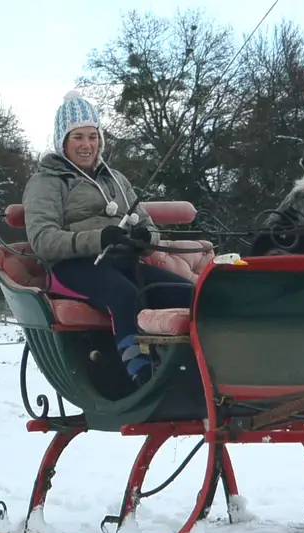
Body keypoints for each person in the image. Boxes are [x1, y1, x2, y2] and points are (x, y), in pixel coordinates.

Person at [22, 90, 194, 387]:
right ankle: (140, 374)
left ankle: (195, 368)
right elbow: (44, 239)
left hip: (122, 262)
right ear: (62, 141)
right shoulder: (45, 182)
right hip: (71, 268)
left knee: (191, 293)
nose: (87, 145)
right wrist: (99, 239)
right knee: (124, 295)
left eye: (92, 136)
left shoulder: (116, 179)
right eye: (78, 137)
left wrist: (143, 237)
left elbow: (148, 225)